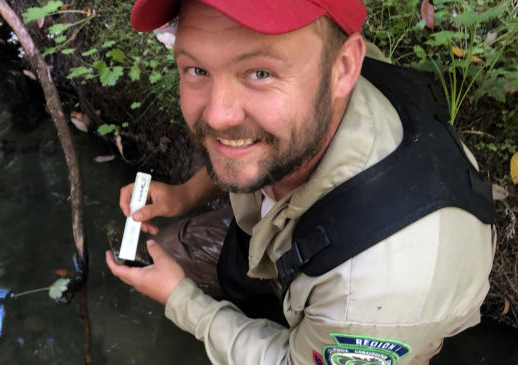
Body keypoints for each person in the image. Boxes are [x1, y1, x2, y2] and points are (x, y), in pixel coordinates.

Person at [105, 0, 496, 364]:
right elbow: (251, 144)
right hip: (298, 230)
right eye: (197, 70)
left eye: (260, 73)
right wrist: (186, 194)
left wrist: (182, 301)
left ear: (344, 67)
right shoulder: (317, 80)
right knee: (168, 252)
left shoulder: (377, 292)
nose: (219, 115)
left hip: (368, 305)